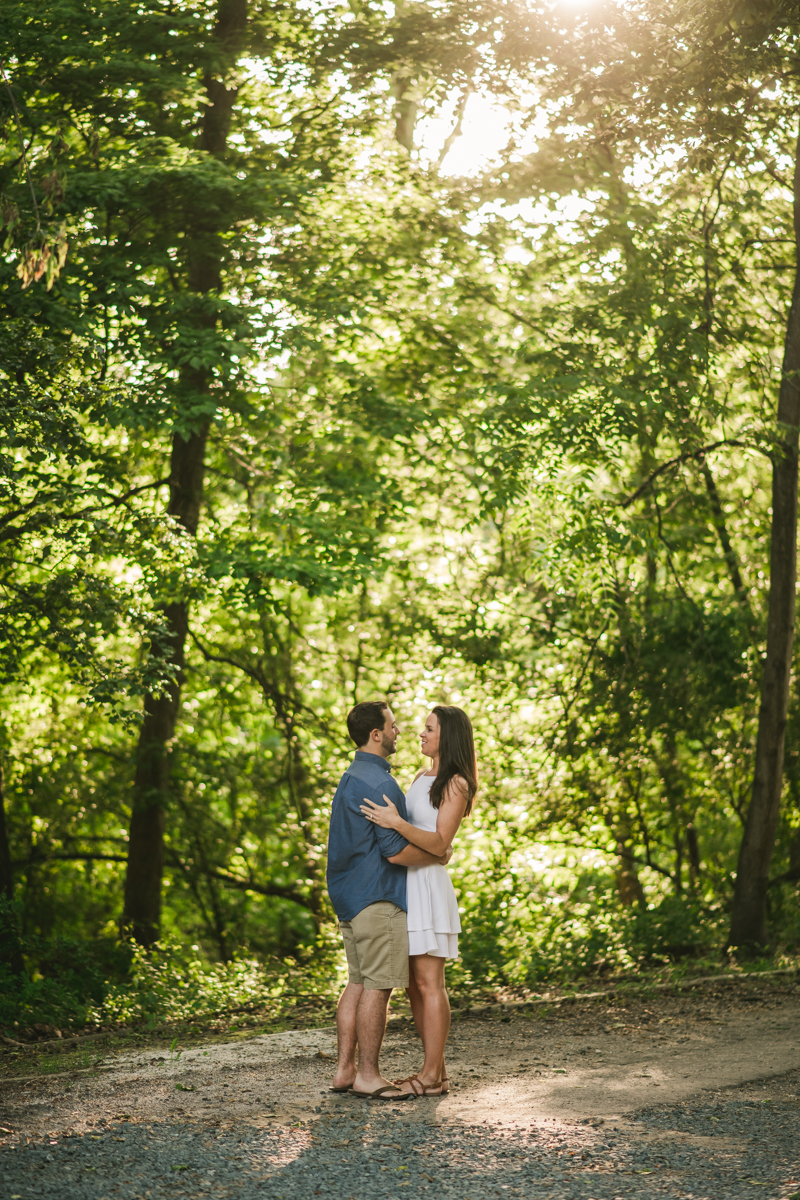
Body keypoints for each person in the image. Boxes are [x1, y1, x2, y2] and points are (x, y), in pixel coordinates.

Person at [326, 699, 453, 1101]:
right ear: (376, 734)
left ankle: (345, 1070)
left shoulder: (351, 776)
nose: (401, 731)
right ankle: (368, 1075)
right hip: (378, 895)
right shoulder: (382, 785)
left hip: (348, 894)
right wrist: (438, 854)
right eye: (393, 726)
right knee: (378, 988)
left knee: (357, 984)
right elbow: (395, 852)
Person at [360, 704, 477, 1097]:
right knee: (413, 984)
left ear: (449, 736)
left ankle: (429, 1075)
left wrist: (397, 824)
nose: (421, 734)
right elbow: (433, 844)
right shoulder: (420, 775)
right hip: (407, 884)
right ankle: (437, 1073)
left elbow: (441, 841)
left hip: (428, 885)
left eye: (429, 729)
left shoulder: (456, 783)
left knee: (430, 982)